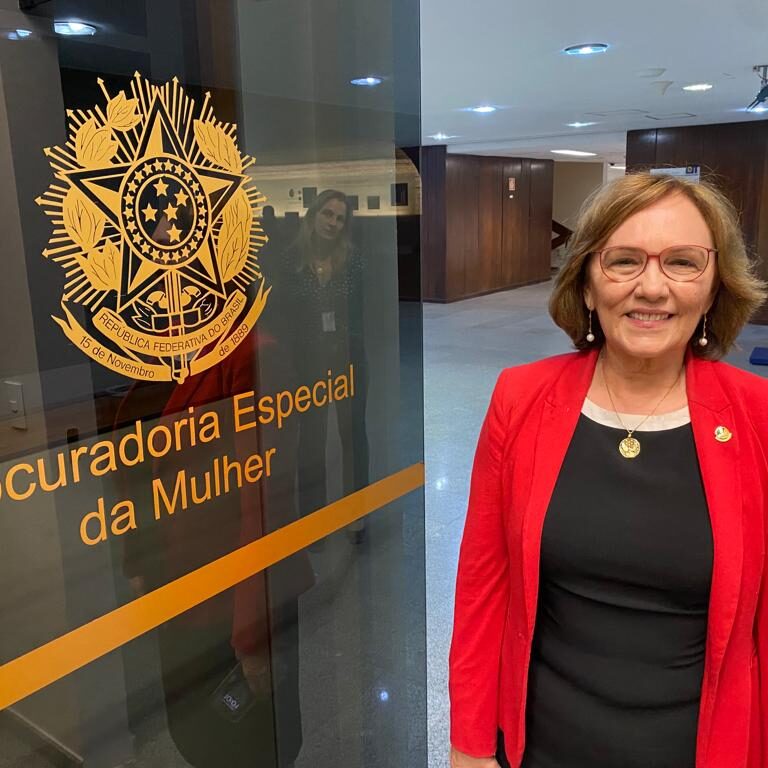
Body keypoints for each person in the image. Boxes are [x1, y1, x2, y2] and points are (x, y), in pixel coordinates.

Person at [449, 172, 768, 768]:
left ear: (715, 287)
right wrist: (469, 745)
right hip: (544, 743)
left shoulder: (757, 419)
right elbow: (481, 590)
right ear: (588, 284)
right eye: (623, 261)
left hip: (699, 747)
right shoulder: (520, 398)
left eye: (682, 262)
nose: (652, 287)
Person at [284, 189, 369, 537]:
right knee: (311, 437)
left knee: (353, 433)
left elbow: (362, 312)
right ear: (313, 214)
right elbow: (284, 317)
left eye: (340, 218)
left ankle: (357, 512)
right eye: (327, 214)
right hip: (308, 361)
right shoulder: (291, 260)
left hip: (348, 357)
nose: (333, 223)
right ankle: (313, 519)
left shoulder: (353, 260)